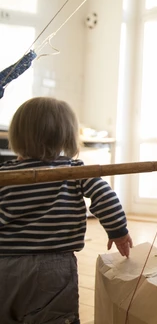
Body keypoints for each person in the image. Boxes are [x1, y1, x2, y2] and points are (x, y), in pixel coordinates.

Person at [0, 97, 133, 324]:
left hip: (4, 264)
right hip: (52, 266)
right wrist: (118, 231)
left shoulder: (6, 174)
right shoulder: (72, 171)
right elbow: (105, 196)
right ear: (67, 137)